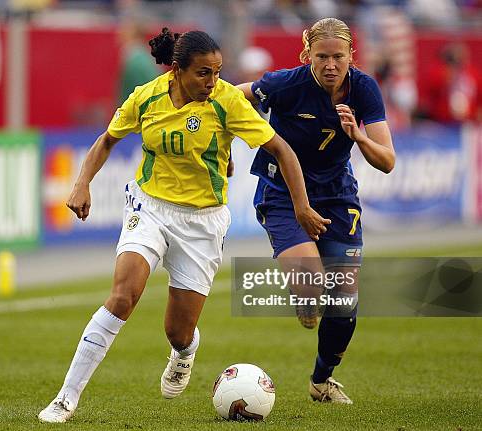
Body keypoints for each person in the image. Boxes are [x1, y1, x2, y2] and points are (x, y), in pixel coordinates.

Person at [38, 27, 329, 423]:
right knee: (124, 295)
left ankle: (184, 352)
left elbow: (280, 148)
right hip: (151, 206)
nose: (213, 82)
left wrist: (301, 207)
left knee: (178, 330)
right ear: (177, 70)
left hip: (203, 222)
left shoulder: (227, 101)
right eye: (203, 73)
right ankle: (65, 398)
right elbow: (107, 139)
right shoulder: (146, 97)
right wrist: (81, 182)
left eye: (217, 72)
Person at [237, 17, 395, 404]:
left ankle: (322, 380)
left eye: (338, 57)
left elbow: (387, 161)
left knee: (343, 305)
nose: (330, 65)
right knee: (312, 292)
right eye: (321, 56)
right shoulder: (284, 84)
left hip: (338, 197)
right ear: (307, 54)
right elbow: (230, 96)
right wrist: (224, 140)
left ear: (351, 56)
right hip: (281, 193)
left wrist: (358, 137)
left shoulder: (364, 89)